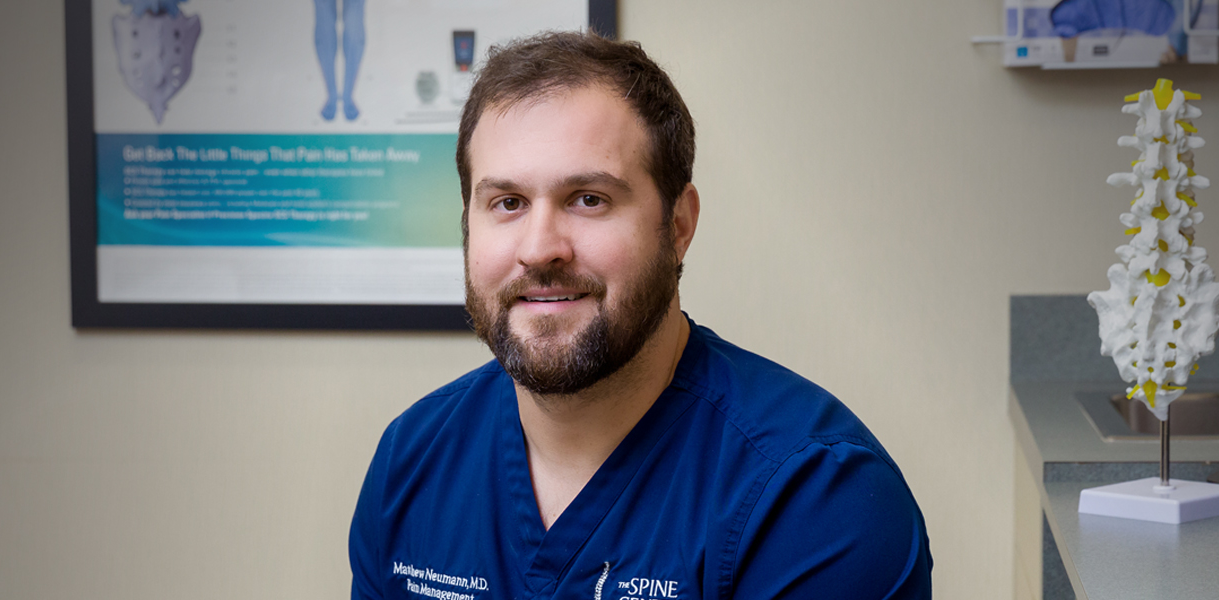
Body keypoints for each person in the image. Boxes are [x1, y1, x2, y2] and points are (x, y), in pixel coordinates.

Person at [350, 31, 933, 599]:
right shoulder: (412, 461)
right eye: (508, 203)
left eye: (589, 199)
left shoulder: (816, 498)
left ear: (678, 226)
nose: (540, 248)